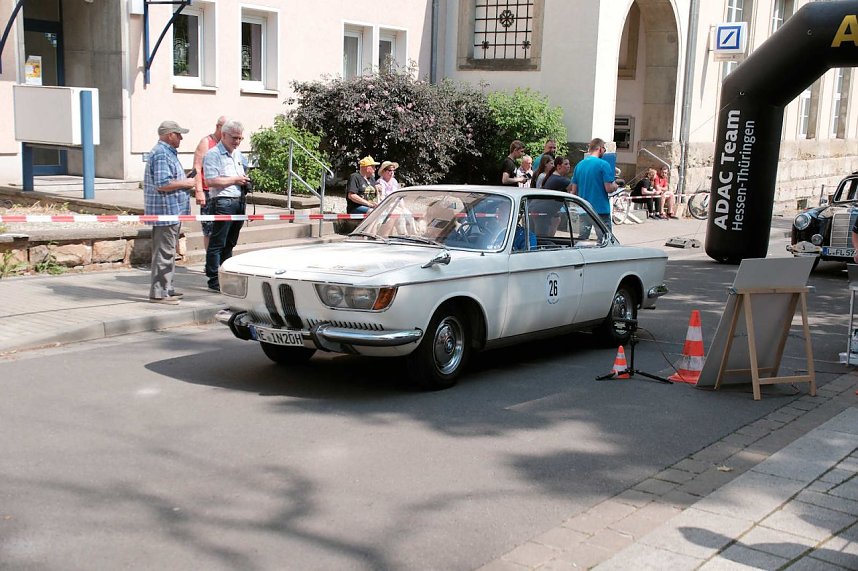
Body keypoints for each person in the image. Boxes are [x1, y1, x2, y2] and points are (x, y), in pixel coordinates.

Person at [143, 120, 196, 304]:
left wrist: (184, 179)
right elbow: (162, 183)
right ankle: (159, 294)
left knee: (168, 252)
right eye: (179, 134)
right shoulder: (161, 154)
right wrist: (188, 183)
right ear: (169, 135)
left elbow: (168, 180)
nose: (181, 137)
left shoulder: (166, 153)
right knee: (164, 253)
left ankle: (166, 288)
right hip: (165, 211)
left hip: (172, 210)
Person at [203, 120, 251, 292]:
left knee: (230, 242)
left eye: (240, 138)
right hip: (223, 201)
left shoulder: (237, 154)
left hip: (238, 200)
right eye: (234, 138)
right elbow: (210, 181)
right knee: (218, 242)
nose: (237, 142)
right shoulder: (213, 154)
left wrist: (244, 180)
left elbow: (240, 174)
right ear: (223, 135)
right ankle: (214, 280)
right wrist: (235, 180)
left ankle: (226, 276)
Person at [192, 115, 226, 249]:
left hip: (223, 192)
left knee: (222, 229)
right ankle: (211, 262)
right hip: (208, 192)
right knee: (209, 229)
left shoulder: (227, 143)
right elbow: (197, 167)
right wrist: (199, 191)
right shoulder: (206, 142)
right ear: (218, 127)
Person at [569, 137, 618, 230]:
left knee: (583, 238)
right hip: (600, 209)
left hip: (584, 208)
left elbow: (573, 190)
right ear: (599, 148)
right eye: (604, 148)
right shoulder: (604, 164)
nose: (604, 151)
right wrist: (615, 186)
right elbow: (608, 188)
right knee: (604, 238)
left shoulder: (579, 165)